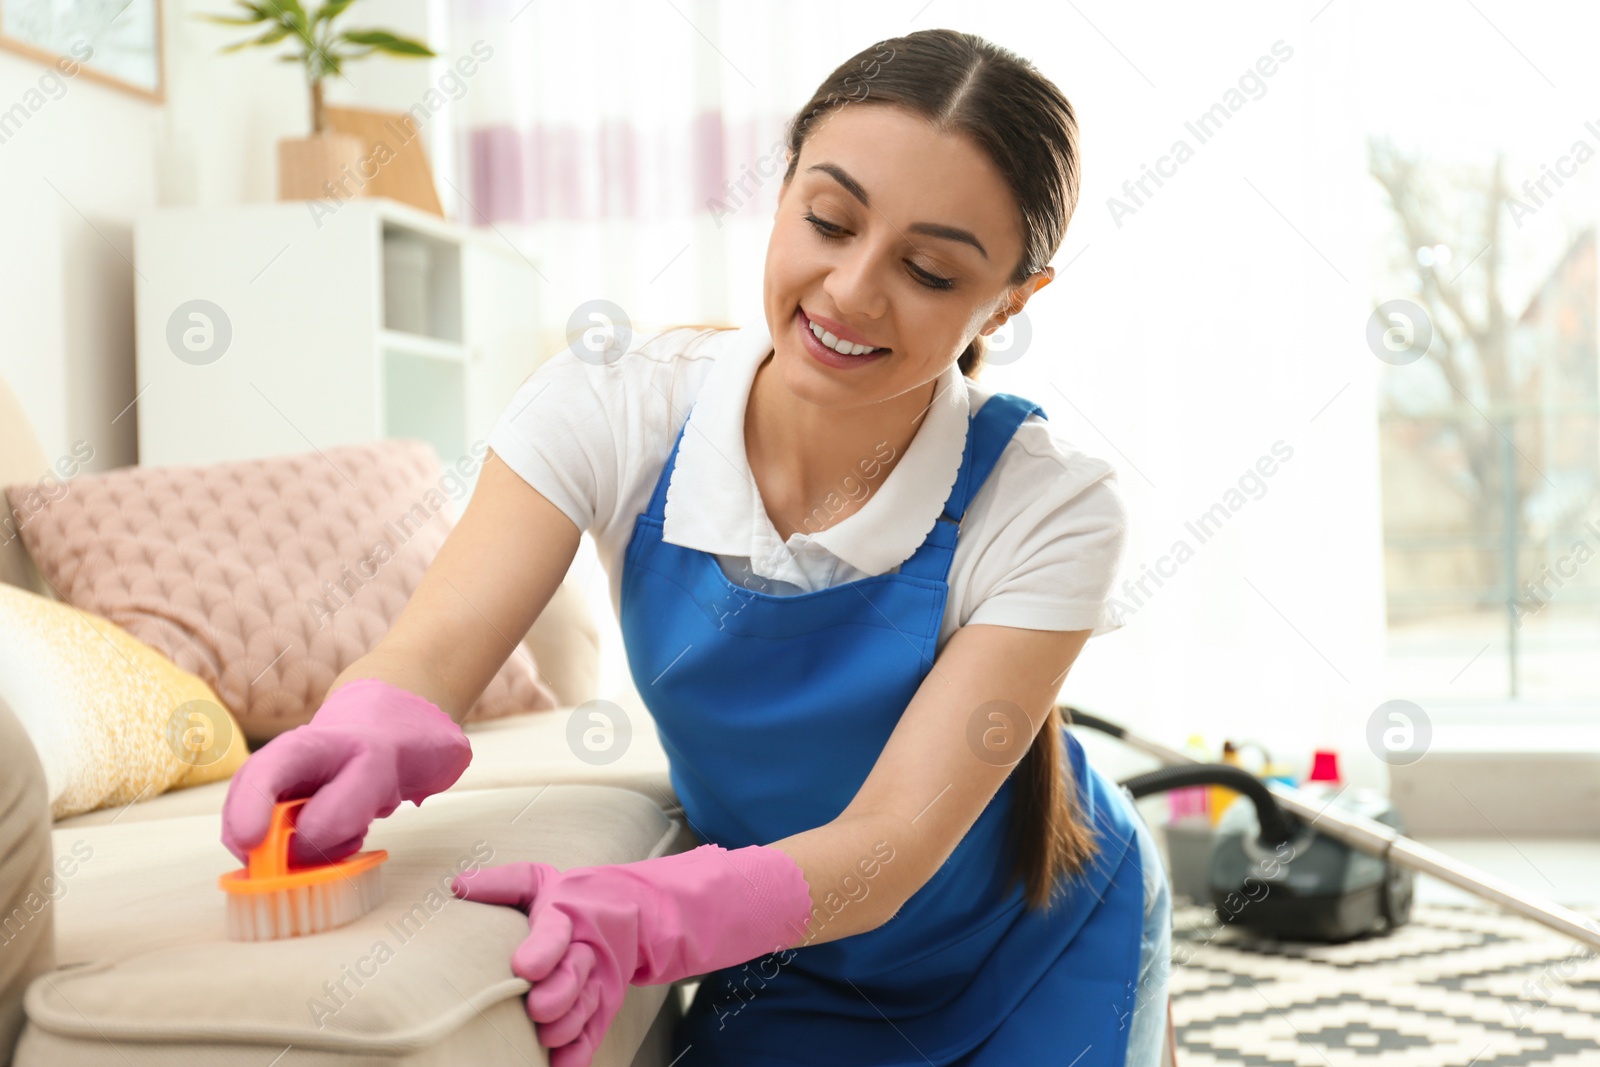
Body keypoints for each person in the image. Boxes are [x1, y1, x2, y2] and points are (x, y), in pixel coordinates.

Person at [220, 26, 1172, 1067]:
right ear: (781, 190)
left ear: (1012, 297)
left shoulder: (1051, 505)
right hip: (785, 948)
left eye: (930, 270)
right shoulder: (612, 404)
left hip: (1043, 934)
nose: (851, 289)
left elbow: (894, 844)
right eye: (828, 219)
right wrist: (366, 726)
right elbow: (436, 643)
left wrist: (649, 912)